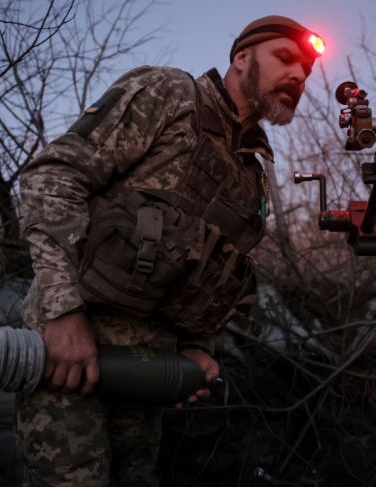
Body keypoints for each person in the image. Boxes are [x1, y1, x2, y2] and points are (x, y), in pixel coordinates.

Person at [16, 15, 324, 487]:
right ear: (242, 57)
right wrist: (62, 313)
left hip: (147, 374)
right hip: (71, 355)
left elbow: (218, 274)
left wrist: (197, 350)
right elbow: (52, 178)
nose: (299, 77)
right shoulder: (171, 96)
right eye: (286, 58)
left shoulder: (252, 177)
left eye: (307, 71)